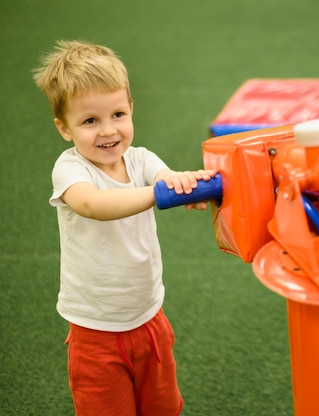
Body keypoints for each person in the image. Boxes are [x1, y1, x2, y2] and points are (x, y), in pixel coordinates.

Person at [33, 40, 216, 416]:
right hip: (95, 330)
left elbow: (169, 179)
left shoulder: (141, 160)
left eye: (117, 114)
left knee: (162, 407)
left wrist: (187, 185)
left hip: (150, 318)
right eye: (89, 121)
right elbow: (93, 205)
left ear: (131, 108)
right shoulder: (70, 170)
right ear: (63, 128)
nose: (107, 131)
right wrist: (159, 194)